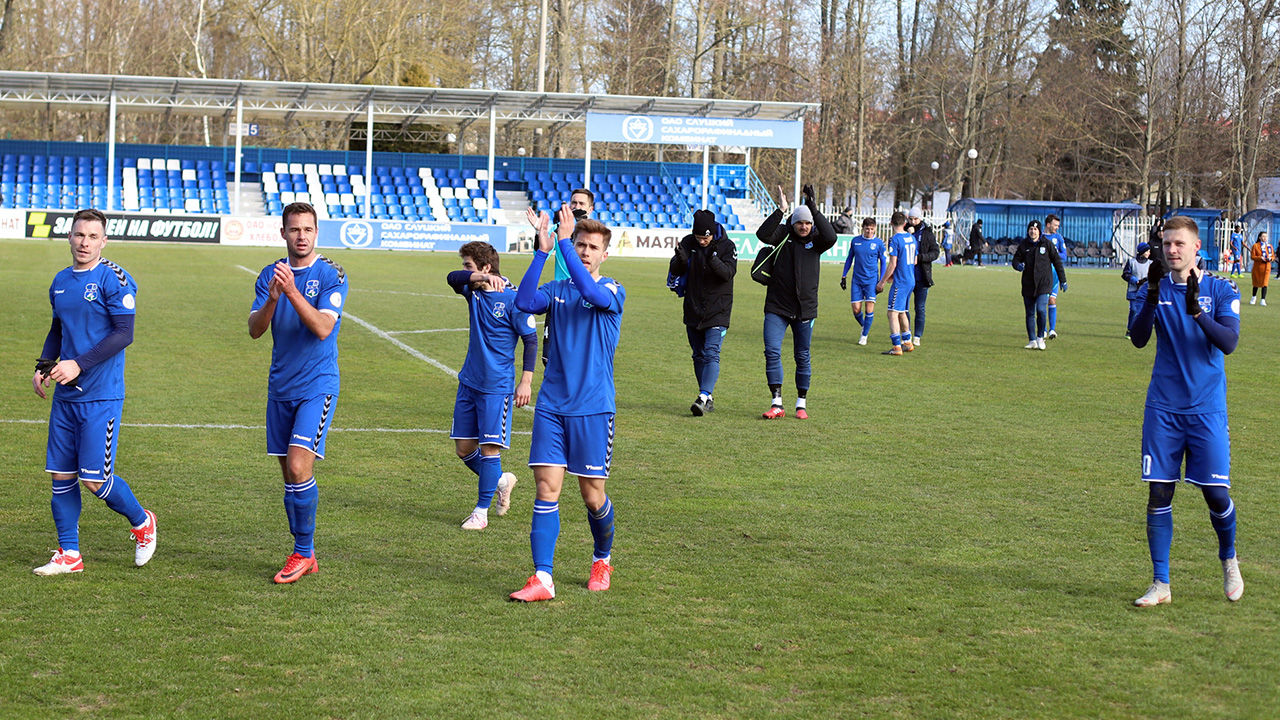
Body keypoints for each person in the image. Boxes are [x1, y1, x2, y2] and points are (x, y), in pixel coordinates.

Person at [31, 208, 157, 575]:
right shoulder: (61, 281)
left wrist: (77, 364)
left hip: (101, 395)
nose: (84, 242)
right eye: (79, 235)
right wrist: (45, 365)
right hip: (66, 397)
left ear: (104, 240)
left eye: (92, 236)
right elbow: (58, 328)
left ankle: (142, 521)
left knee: (94, 479)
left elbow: (124, 333)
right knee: (60, 475)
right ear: (69, 237)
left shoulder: (114, 279)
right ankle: (69, 554)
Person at [509, 206, 624, 602]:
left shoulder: (611, 290)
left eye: (593, 247)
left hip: (593, 408)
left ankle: (602, 558)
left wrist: (562, 244)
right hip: (552, 406)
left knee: (593, 496)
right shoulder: (557, 291)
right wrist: (542, 252)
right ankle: (543, 578)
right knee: (546, 488)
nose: (586, 251)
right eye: (580, 244)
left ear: (605, 254)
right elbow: (523, 302)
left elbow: (589, 292)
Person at [1129, 215, 1243, 607]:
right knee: (1159, 491)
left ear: (1197, 248)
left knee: (1215, 494)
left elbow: (1228, 342)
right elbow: (1139, 339)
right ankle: (1161, 583)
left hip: (1207, 410)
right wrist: (1149, 295)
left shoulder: (1221, 288)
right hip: (1163, 408)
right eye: (1166, 244)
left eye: (1179, 244)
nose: (1172, 250)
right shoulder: (1151, 287)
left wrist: (1198, 313)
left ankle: (1228, 557)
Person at [248, 202, 348, 584]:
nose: (301, 236)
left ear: (316, 232)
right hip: (280, 387)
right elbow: (256, 330)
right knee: (289, 478)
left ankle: (302, 552)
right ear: (283, 233)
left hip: (317, 385)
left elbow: (323, 327)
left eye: (307, 229)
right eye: (294, 229)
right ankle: (304, 550)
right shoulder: (268, 275)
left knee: (298, 466)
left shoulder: (331, 274)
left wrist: (290, 292)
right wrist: (273, 296)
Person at [446, 241, 537, 530]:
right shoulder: (472, 291)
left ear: (486, 266)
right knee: (463, 449)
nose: (465, 271)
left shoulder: (513, 299)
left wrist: (525, 381)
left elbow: (531, 340)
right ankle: (501, 480)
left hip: (497, 387)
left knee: (489, 449)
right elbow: (451, 278)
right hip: (469, 382)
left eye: (469, 265)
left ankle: (481, 512)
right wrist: (479, 278)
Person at [755, 184, 838, 418]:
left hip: (805, 309)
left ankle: (801, 403)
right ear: (793, 223)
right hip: (777, 306)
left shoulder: (817, 242)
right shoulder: (783, 235)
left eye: (808, 223)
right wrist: (781, 210)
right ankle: (777, 403)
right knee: (772, 351)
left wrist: (812, 206)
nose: (804, 226)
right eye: (800, 222)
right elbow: (762, 235)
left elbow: (831, 236)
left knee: (802, 356)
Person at [670, 209, 737, 415]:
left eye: (705, 237)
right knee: (698, 355)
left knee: (711, 353)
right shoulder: (688, 242)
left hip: (718, 309)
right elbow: (676, 272)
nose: (702, 242)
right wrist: (680, 260)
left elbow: (728, 273)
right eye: (699, 237)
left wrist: (712, 259)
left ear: (712, 232)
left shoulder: (727, 246)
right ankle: (707, 397)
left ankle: (703, 396)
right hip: (693, 307)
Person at [1011, 220, 1066, 349]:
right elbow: (1015, 260)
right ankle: (1032, 340)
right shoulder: (1024, 245)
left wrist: (1063, 280)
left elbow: (1057, 262)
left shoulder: (1046, 244)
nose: (1033, 231)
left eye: (1035, 229)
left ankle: (1041, 337)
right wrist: (1018, 266)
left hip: (1043, 284)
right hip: (1028, 284)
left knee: (1041, 310)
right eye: (1031, 229)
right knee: (1029, 313)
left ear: (1039, 231)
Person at [840, 217, 886, 346]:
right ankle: (865, 326)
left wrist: (881, 280)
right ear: (863, 228)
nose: (870, 231)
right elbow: (849, 259)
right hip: (857, 280)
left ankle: (864, 335)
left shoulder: (879, 243)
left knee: (869, 309)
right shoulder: (856, 241)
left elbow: (883, 262)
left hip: (871, 281)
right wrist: (844, 276)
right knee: (856, 309)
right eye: (867, 229)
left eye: (872, 229)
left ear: (875, 228)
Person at [877, 210, 917, 356]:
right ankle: (907, 342)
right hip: (911, 279)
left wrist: (882, 282)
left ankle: (896, 347)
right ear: (905, 223)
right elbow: (915, 261)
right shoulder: (912, 238)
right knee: (902, 312)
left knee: (891, 313)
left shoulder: (895, 240)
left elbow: (893, 263)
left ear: (891, 223)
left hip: (900, 282)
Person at [906, 208, 939, 346]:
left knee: (920, 308)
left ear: (920, 219)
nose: (913, 222)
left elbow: (935, 253)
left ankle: (917, 336)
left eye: (915, 219)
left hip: (922, 276)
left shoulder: (928, 233)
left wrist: (920, 258)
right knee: (903, 307)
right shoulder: (904, 231)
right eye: (911, 219)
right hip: (906, 276)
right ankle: (906, 333)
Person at [552, 188, 594, 281]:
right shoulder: (557, 228)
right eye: (574, 203)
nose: (577, 206)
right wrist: (538, 232)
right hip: (562, 288)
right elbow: (541, 254)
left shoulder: (595, 232)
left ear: (590, 209)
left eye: (582, 203)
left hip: (585, 287)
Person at [1043, 214, 1067, 339]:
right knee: (1043, 302)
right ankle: (1044, 330)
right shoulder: (1040, 238)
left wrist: (1054, 253)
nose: (1057, 228)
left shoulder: (1058, 238)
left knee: (1052, 300)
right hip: (1042, 275)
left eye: (1058, 225)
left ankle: (1052, 330)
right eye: (1055, 225)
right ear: (1048, 224)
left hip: (1055, 275)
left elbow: (1064, 256)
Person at [1121, 242, 1152, 337]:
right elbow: (1125, 274)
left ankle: (1141, 330)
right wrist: (1135, 281)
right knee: (1134, 310)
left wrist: (1146, 281)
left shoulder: (1151, 263)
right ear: (1142, 251)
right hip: (1133, 291)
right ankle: (1130, 330)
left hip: (1146, 291)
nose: (1149, 253)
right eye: (1147, 251)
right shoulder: (1132, 262)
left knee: (1144, 311)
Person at [1249, 231, 1272, 305]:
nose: (1265, 238)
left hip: (1267, 268)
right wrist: (1260, 258)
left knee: (1265, 283)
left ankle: (1263, 299)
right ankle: (1254, 297)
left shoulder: (1269, 246)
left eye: (1266, 236)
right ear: (1260, 237)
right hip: (1258, 268)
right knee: (1256, 283)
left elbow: (1273, 256)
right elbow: (1252, 257)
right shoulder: (1255, 246)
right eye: (1263, 236)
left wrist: (1271, 258)